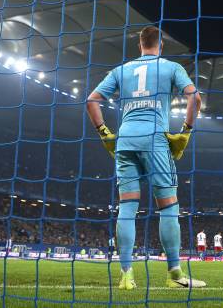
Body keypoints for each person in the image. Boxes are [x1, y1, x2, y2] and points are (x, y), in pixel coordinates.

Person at [87, 26, 205, 290]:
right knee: (168, 207)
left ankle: (126, 275)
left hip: (125, 141)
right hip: (155, 140)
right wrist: (185, 132)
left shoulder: (121, 71)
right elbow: (195, 98)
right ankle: (175, 275)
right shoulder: (171, 67)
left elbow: (91, 101)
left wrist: (105, 133)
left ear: (140, 45)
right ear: (160, 44)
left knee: (127, 207)